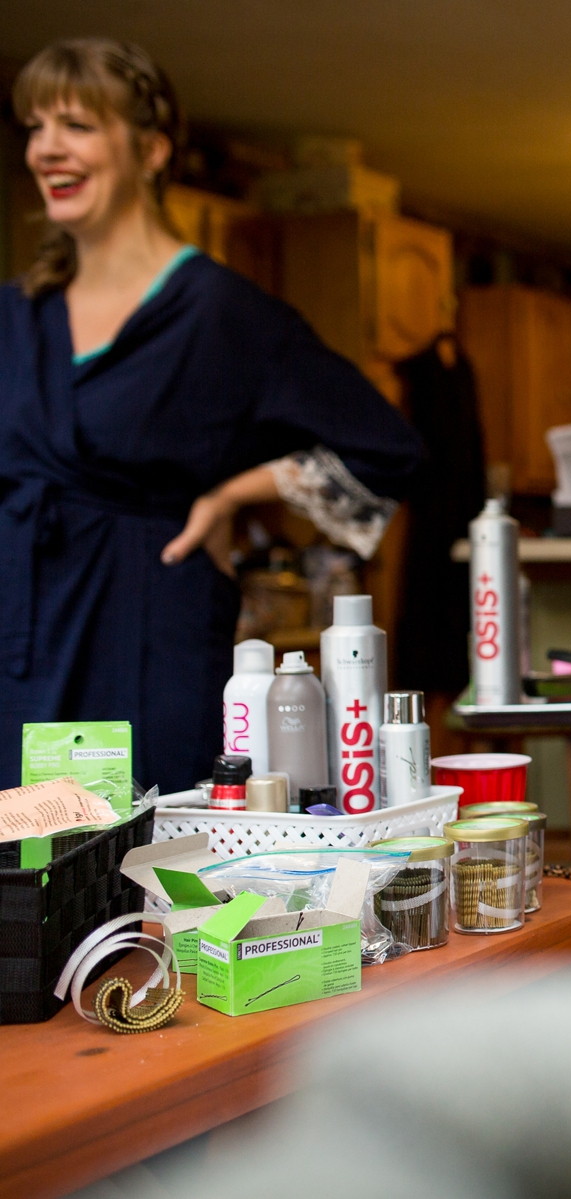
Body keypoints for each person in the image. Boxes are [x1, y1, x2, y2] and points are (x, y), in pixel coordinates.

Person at [0, 39, 423, 792]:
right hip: (19, 646)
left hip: (144, 637)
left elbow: (388, 450)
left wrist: (235, 493)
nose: (46, 149)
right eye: (35, 127)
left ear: (152, 149)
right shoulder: (15, 315)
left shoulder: (222, 316)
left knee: (141, 883)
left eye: (77, 125)